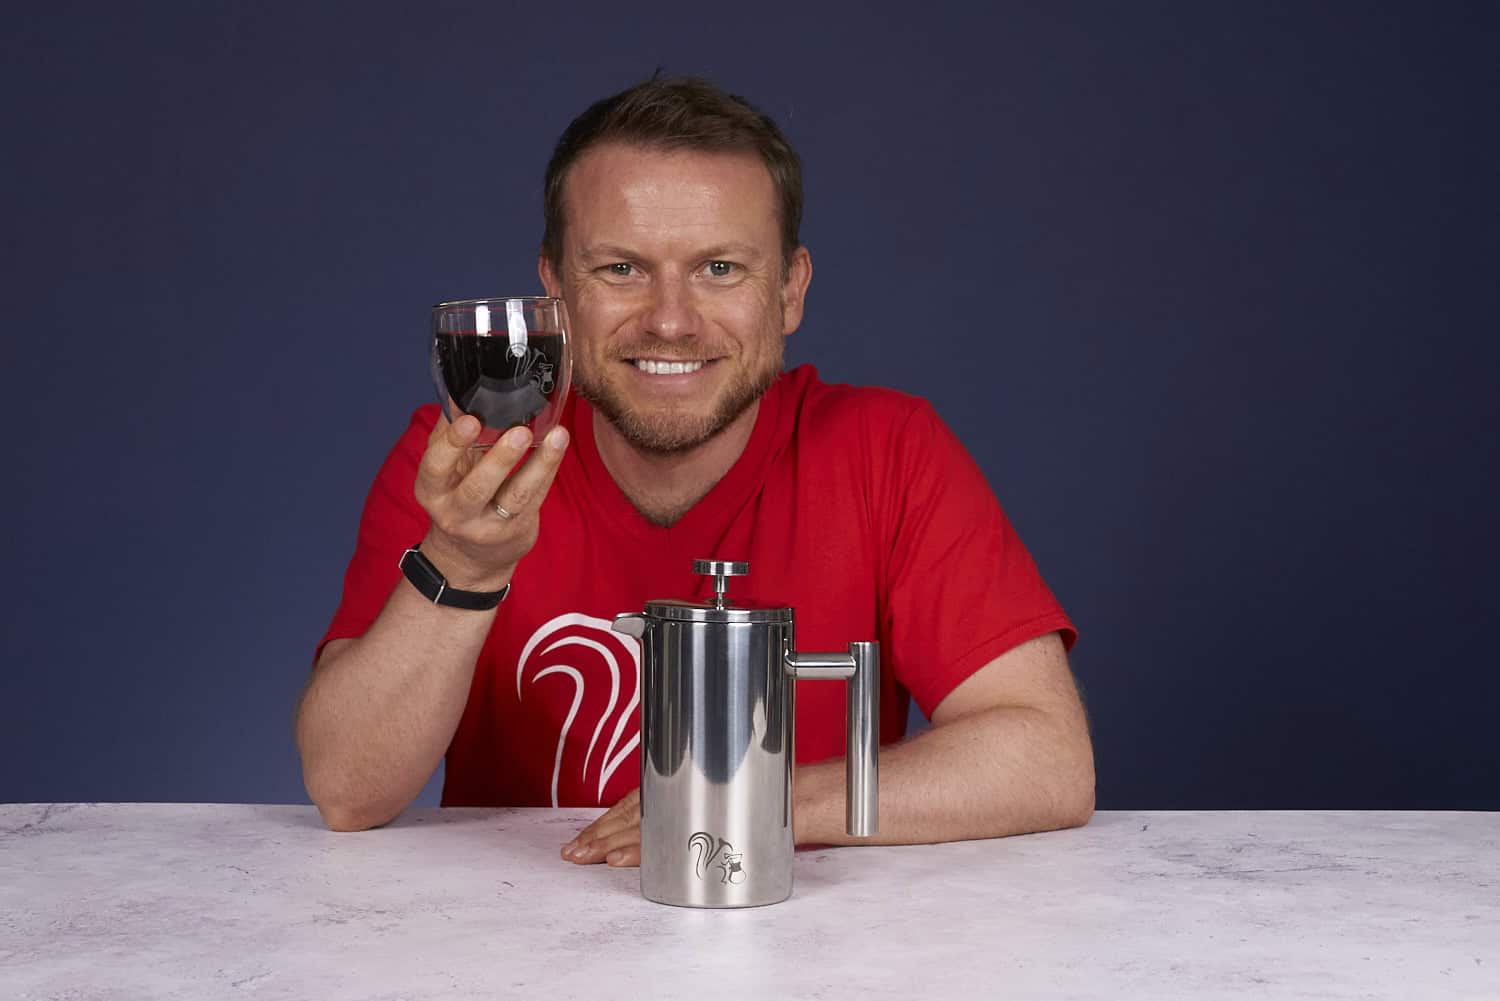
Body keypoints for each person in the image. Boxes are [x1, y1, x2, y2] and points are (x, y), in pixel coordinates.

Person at [295, 75, 1095, 867]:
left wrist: (757, 801)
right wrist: (463, 564)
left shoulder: (888, 451)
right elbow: (346, 787)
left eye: (719, 269)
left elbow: (1048, 757)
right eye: (621, 269)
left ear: (789, 292)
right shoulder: (467, 462)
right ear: (554, 290)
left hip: (804, 929)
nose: (671, 321)